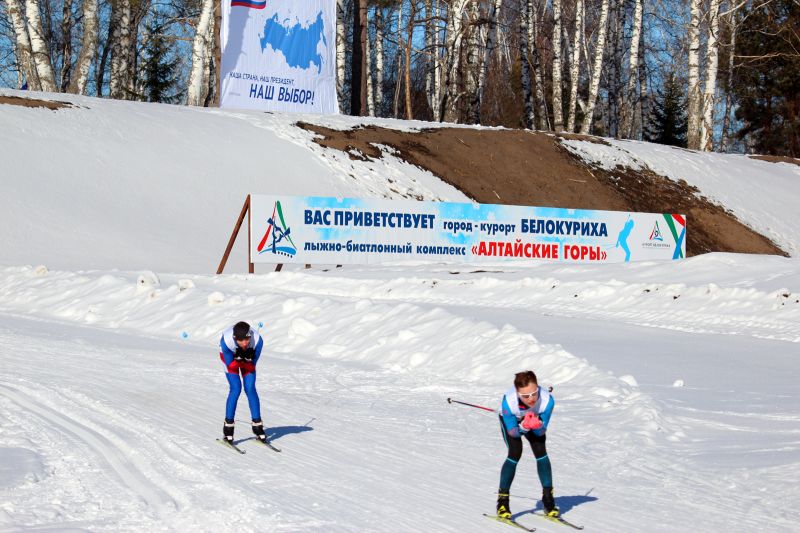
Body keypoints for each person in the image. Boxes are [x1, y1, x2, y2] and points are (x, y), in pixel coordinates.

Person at [496, 370, 558, 519]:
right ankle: (503, 501)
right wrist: (523, 427)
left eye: (534, 393)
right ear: (517, 393)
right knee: (515, 452)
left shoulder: (547, 400)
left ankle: (548, 498)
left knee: (541, 451)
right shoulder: (509, 402)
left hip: (534, 420)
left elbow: (541, 432)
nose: (531, 399)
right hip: (513, 422)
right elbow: (513, 433)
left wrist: (537, 425)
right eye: (525, 396)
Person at [219, 321, 267, 444]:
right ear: (235, 338)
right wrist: (238, 359)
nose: (245, 343)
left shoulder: (258, 341)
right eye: (241, 340)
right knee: (236, 388)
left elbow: (251, 367)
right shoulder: (226, 342)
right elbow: (230, 366)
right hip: (229, 356)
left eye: (247, 339)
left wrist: (248, 360)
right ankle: (228, 427)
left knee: (250, 388)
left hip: (245, 359)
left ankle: (257, 425)